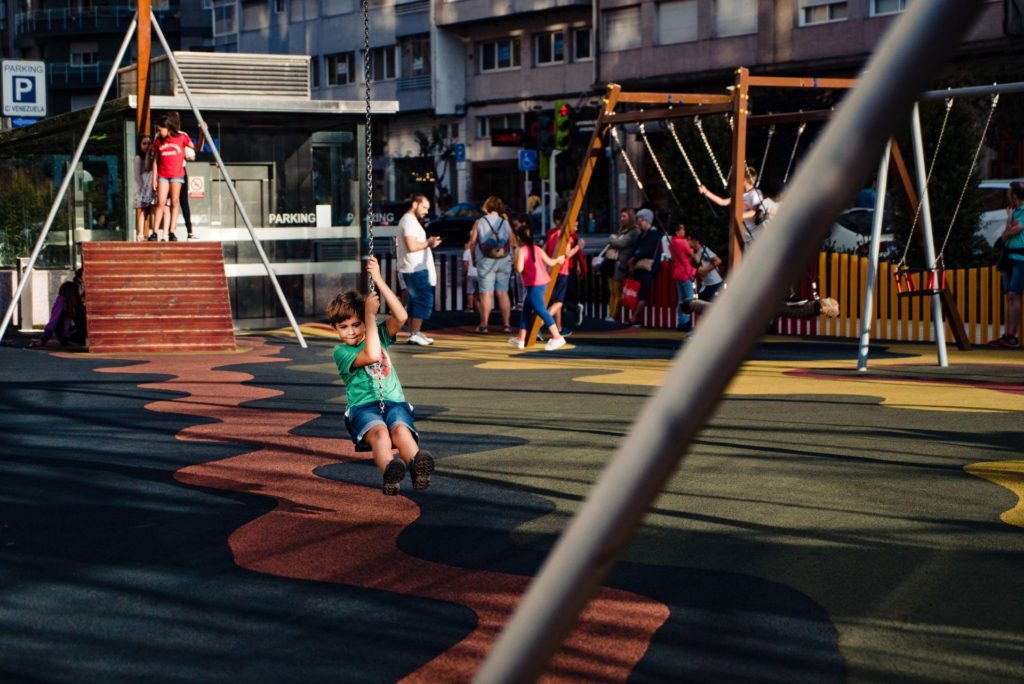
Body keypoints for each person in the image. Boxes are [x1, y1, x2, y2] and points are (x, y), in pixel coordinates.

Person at [328, 256, 435, 496]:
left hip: (393, 401)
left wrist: (378, 279)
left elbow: (401, 317)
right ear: (334, 329)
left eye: (356, 324)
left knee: (400, 430)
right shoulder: (342, 351)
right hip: (364, 407)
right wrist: (368, 316)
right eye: (343, 327)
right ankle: (390, 471)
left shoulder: (379, 333)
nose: (351, 331)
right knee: (379, 433)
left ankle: (417, 465)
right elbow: (373, 355)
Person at [507, 221, 568, 351]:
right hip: (541, 283)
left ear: (518, 238)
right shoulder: (537, 249)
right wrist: (558, 260)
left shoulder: (521, 251)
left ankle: (557, 336)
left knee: (541, 311)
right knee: (526, 311)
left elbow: (519, 268)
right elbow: (550, 262)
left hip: (533, 285)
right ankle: (521, 339)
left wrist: (515, 260)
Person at [397, 194, 440, 345]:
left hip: (412, 267)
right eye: (424, 207)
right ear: (415, 204)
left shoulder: (408, 220)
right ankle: (414, 333)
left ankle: (414, 333)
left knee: (415, 300)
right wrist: (429, 243)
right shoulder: (409, 221)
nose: (427, 211)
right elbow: (411, 246)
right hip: (415, 268)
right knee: (424, 300)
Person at [467, 195, 513, 334]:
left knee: (486, 294)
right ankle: (507, 325)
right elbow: (512, 242)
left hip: (485, 260)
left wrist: (474, 258)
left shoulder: (479, 222)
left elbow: (472, 242)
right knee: (503, 293)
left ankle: (484, 325)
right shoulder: (505, 223)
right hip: (504, 260)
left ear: (487, 207)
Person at [989, 180, 1024, 348]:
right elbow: (1009, 229)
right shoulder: (1014, 211)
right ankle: (1008, 333)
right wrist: (1009, 220)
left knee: (1014, 294)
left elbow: (1013, 231)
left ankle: (1012, 335)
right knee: (1009, 296)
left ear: (1014, 195)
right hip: (1010, 256)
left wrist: (1006, 233)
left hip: (1020, 258)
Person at [150, 112, 194, 242]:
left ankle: (172, 232)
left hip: (177, 173)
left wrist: (202, 134)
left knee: (176, 202)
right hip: (163, 174)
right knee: (161, 202)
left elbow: (194, 149)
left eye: (160, 129)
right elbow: (155, 160)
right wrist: (154, 179)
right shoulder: (159, 140)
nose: (158, 131)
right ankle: (155, 232)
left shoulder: (182, 137)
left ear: (167, 127)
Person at [700, 166, 766, 245]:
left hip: (756, 236)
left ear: (744, 180)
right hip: (745, 237)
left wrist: (739, 215)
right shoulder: (741, 194)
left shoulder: (754, 194)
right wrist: (706, 192)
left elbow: (754, 212)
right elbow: (722, 202)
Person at [543, 214, 585, 336]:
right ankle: (538, 324)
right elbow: (567, 254)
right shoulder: (566, 237)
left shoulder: (553, 235)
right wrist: (578, 246)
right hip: (561, 272)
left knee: (555, 301)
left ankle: (558, 328)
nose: (576, 229)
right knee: (558, 302)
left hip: (552, 271)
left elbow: (544, 247)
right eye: (575, 226)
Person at [627, 208, 663, 327]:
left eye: (640, 219)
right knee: (637, 292)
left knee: (642, 293)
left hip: (647, 267)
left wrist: (633, 258)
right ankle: (634, 317)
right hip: (640, 266)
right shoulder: (644, 234)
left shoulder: (653, 234)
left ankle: (634, 318)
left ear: (646, 220)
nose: (638, 222)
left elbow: (645, 249)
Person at [604, 208, 640, 323]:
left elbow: (622, 243)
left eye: (624, 216)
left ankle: (613, 315)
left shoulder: (634, 231)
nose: (622, 219)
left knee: (617, 290)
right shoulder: (622, 229)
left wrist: (611, 239)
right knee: (612, 290)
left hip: (621, 263)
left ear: (630, 217)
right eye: (621, 216)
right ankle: (610, 314)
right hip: (614, 261)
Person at [30, 281, 87, 348]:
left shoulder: (72, 302)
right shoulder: (61, 302)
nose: (78, 294)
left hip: (70, 334)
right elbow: (53, 322)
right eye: (77, 292)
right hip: (67, 336)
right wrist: (43, 339)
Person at [668, 222, 696, 332]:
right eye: (682, 229)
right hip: (686, 271)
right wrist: (692, 250)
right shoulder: (682, 242)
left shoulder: (672, 242)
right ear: (677, 231)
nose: (684, 231)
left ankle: (681, 320)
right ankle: (686, 320)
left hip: (677, 272)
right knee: (690, 297)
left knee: (680, 298)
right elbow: (690, 253)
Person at [688, 229, 724, 301]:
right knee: (700, 304)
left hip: (714, 283)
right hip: (706, 284)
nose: (687, 242)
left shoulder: (704, 250)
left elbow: (718, 261)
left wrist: (705, 270)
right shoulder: (696, 253)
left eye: (689, 240)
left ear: (695, 240)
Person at [133, 134, 155, 242]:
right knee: (142, 211)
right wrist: (143, 189)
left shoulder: (152, 156)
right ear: (140, 145)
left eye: (149, 143)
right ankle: (140, 234)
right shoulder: (138, 158)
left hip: (151, 186)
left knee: (151, 210)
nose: (147, 146)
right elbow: (137, 176)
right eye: (144, 143)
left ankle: (152, 233)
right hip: (142, 188)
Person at [462, 235, 478, 313]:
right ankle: (480, 308)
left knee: (470, 291)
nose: (465, 246)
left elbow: (465, 264)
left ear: (468, 243)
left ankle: (470, 307)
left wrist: (464, 274)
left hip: (471, 274)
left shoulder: (467, 252)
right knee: (480, 292)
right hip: (480, 274)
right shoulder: (480, 251)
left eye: (465, 244)